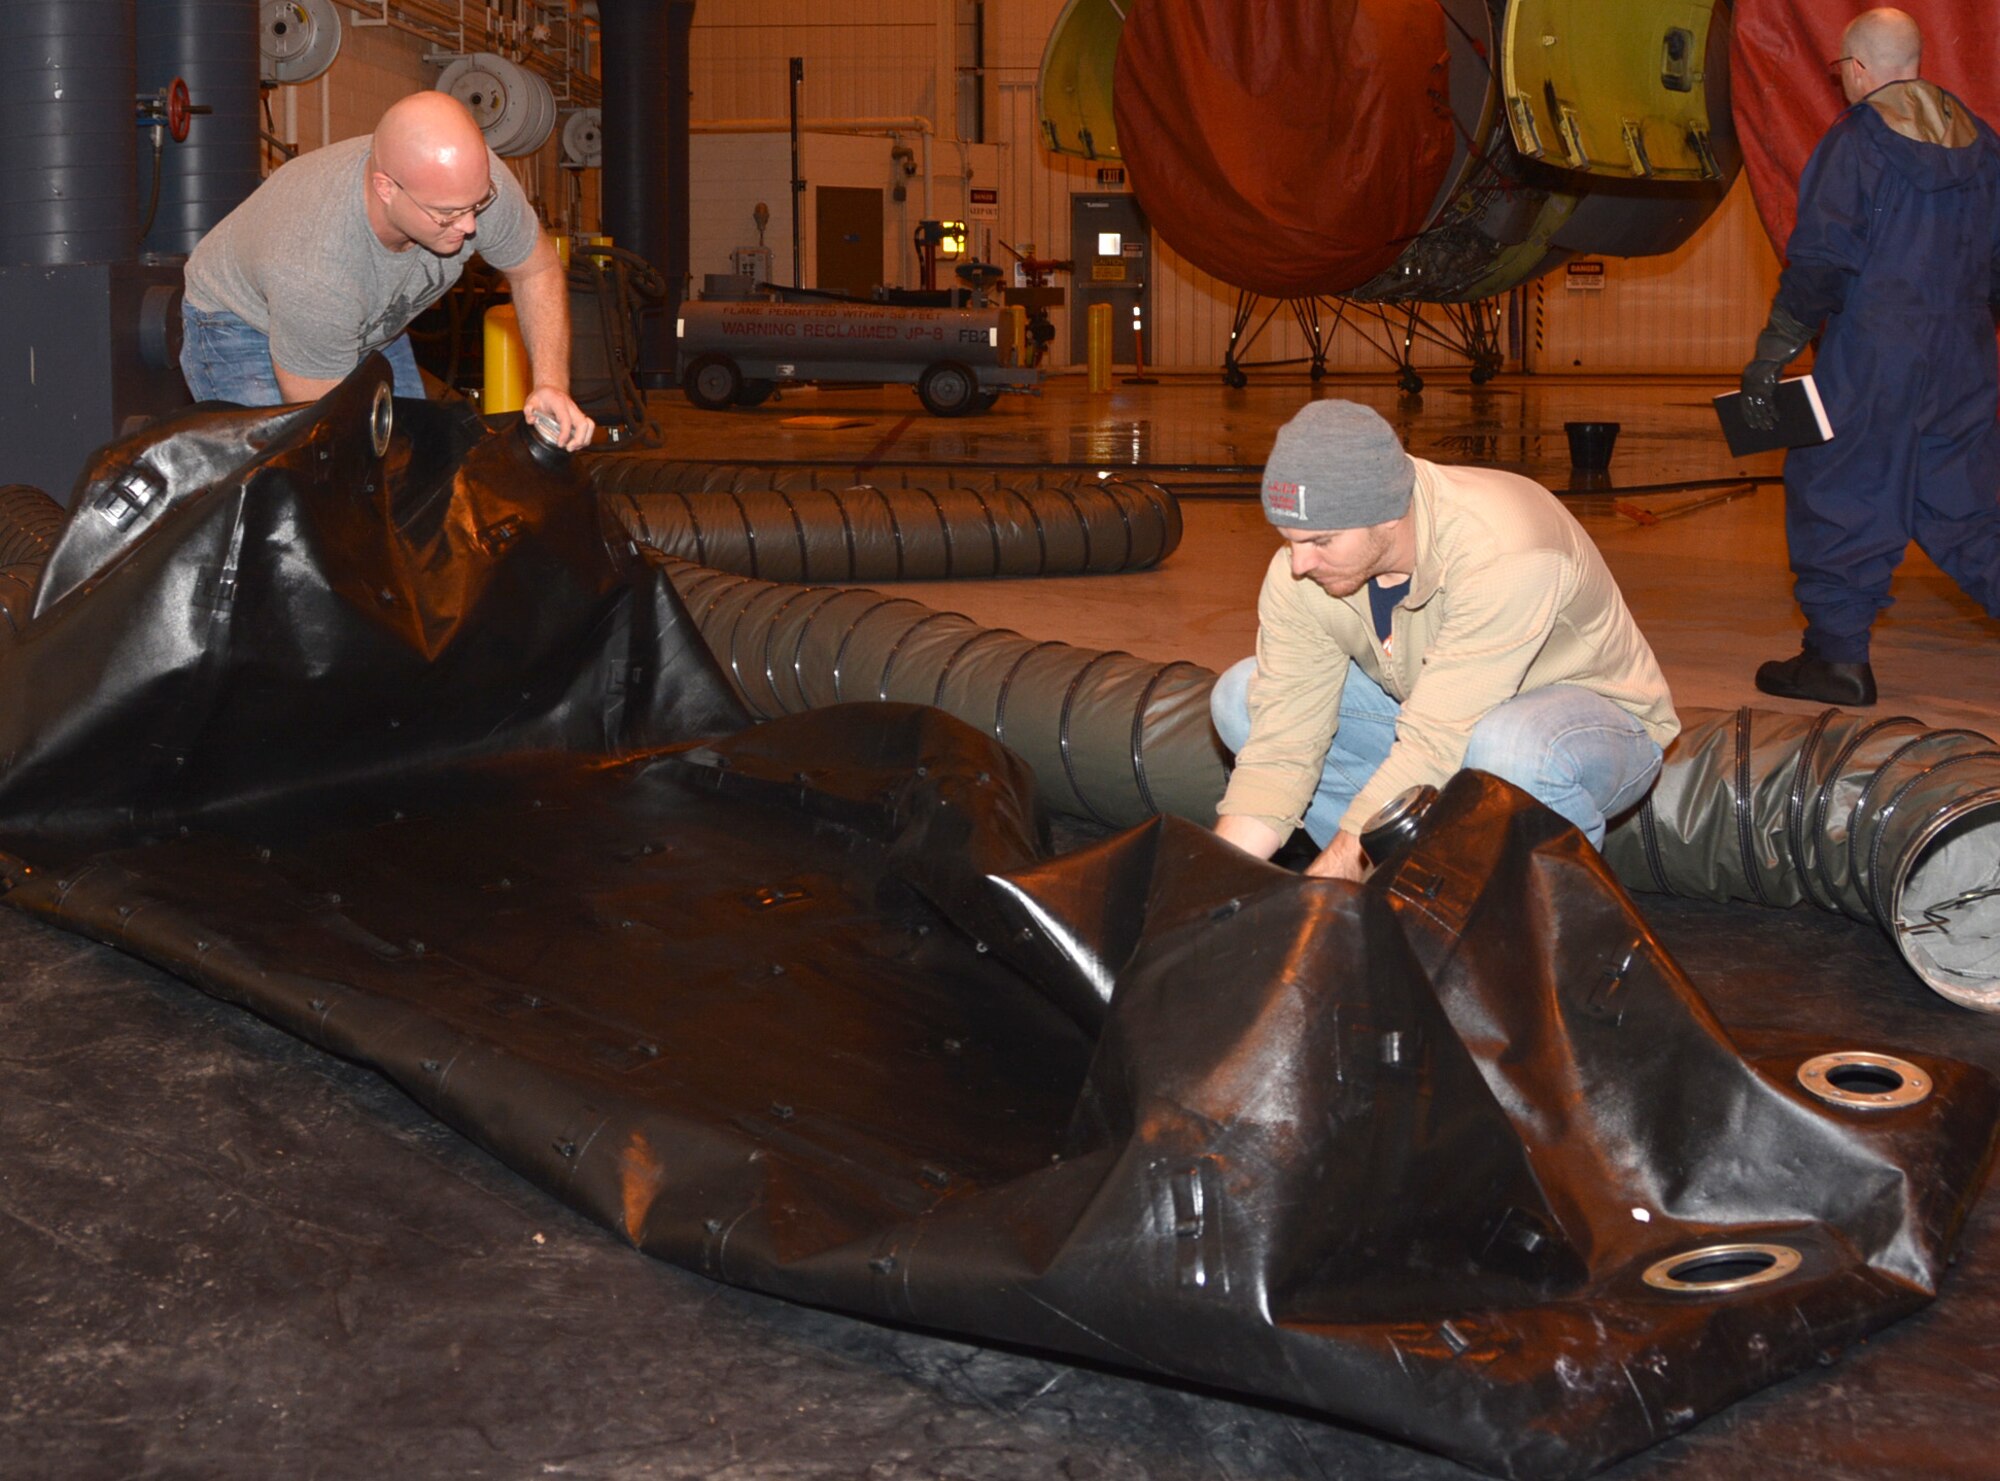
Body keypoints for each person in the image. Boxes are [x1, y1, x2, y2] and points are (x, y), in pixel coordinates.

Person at [1210, 400, 1678, 881]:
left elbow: (1435, 740)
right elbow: (1280, 748)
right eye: (1289, 539)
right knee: (1240, 696)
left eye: (1321, 542)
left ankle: (1537, 927)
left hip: (1586, 734)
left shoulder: (1504, 550)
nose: (1298, 563)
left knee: (1506, 743)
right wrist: (1211, 885)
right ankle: (1405, 891)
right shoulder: (1302, 573)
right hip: (1439, 715)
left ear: (1387, 515)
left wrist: (1320, 899)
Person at [1740, 6, 2000, 707]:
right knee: (1972, 505)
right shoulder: (1984, 145)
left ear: (1856, 70)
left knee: (1841, 487)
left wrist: (1774, 348)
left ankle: (1837, 659)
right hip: (1965, 354)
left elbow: (1821, 257)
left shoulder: (1855, 142)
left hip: (1876, 352)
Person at [180, 90, 595, 450]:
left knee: (413, 466)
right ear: (386, 189)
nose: (470, 226)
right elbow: (330, 431)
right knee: (296, 487)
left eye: (476, 205)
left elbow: (536, 269)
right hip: (243, 325)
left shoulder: (469, 180)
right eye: (448, 214)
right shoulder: (314, 267)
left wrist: (551, 386)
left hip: (367, 315)